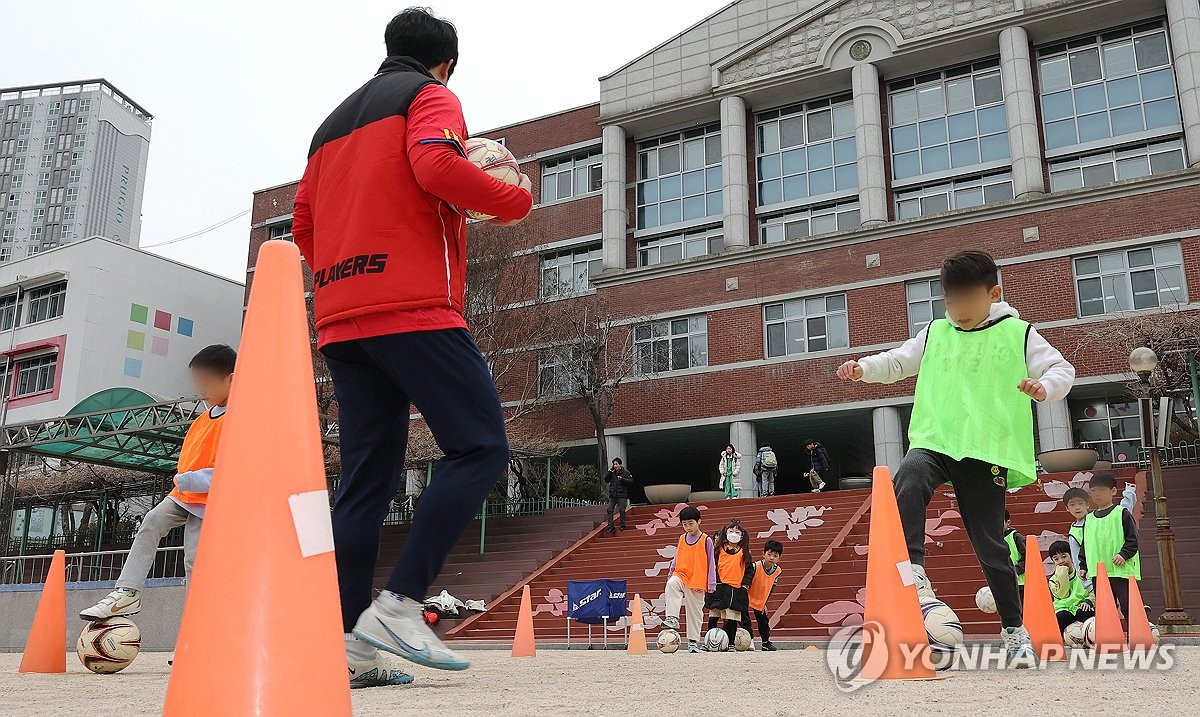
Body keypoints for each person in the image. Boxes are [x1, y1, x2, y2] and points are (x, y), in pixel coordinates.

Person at [292, 7, 534, 682]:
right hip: (414, 306)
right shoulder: (432, 95)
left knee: (364, 484)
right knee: (480, 446)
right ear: (446, 62)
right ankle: (399, 605)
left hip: (341, 317)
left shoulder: (328, 126)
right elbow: (433, 164)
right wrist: (511, 200)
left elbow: (303, 222)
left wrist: (344, 271)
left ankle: (347, 647)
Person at [836, 249, 1075, 668]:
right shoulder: (934, 332)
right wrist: (863, 369)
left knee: (990, 545)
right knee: (908, 474)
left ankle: (1014, 629)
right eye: (951, 302)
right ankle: (915, 570)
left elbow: (1060, 367)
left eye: (967, 300)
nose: (958, 310)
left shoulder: (1018, 332)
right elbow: (897, 361)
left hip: (985, 450)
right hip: (936, 439)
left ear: (993, 293)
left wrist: (1045, 387)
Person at [79, 346, 236, 621]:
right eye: (198, 382)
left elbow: (235, 466)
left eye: (208, 381)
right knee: (151, 522)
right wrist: (187, 481)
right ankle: (127, 592)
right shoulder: (201, 420)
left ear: (231, 379)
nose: (202, 388)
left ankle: (196, 634)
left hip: (214, 500)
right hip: (185, 494)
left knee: (194, 562)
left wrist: (195, 479)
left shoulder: (242, 417)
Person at [1079, 473, 1141, 624]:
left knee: (1128, 606)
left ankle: (1136, 636)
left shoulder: (1121, 513)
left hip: (1120, 570)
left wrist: (1123, 554)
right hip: (1098, 572)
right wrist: (1083, 565)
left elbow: (1133, 539)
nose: (1096, 494)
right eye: (1093, 491)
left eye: (1101, 490)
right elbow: (1085, 544)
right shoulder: (1089, 518)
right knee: (1105, 608)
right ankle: (1111, 639)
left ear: (1113, 491)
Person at [661, 506, 716, 654]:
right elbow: (677, 557)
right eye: (684, 524)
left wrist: (711, 583)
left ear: (699, 521)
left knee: (695, 612)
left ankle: (693, 642)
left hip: (697, 579)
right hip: (682, 574)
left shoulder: (706, 540)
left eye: (691, 523)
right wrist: (671, 572)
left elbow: (711, 562)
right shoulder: (681, 538)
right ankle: (672, 617)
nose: (688, 527)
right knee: (672, 583)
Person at [1062, 483, 1136, 590]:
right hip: (1097, 577)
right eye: (1072, 505)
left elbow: (1122, 512)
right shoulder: (1074, 533)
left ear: (1088, 504)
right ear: (1067, 508)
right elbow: (1078, 560)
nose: (1077, 508)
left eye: (1080, 503)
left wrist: (1129, 493)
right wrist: (1089, 586)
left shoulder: (1099, 518)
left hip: (1117, 569)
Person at [705, 519, 753, 650]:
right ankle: (708, 642)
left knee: (732, 617)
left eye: (737, 532)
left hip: (736, 589)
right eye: (731, 531)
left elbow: (749, 570)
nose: (734, 533)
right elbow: (711, 566)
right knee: (714, 615)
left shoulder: (745, 552)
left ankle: (730, 643)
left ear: (742, 535)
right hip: (719, 586)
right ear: (725, 533)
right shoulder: (718, 550)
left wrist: (745, 584)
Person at [743, 540, 783, 651]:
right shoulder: (755, 566)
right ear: (763, 554)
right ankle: (749, 640)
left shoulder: (777, 571)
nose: (771, 557)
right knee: (745, 619)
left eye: (775, 556)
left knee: (763, 621)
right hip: (747, 596)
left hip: (760, 599)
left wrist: (764, 602)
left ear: (779, 558)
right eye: (769, 554)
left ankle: (765, 642)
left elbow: (771, 589)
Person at [1048, 540, 1094, 635]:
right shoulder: (1052, 580)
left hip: (1081, 606)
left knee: (1085, 612)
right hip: (1064, 610)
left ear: (1071, 556)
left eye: (1064, 556)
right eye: (1056, 559)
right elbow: (1063, 594)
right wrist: (1062, 574)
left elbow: (1093, 591)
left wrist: (1088, 601)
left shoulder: (1082, 573)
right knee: (1062, 616)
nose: (1061, 561)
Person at [603, 458, 633, 535]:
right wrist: (609, 472)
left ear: (620, 464)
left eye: (616, 464)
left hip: (622, 495)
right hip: (613, 495)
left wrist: (622, 479)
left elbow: (630, 481)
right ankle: (611, 527)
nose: (615, 465)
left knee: (622, 510)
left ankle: (623, 525)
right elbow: (606, 480)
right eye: (614, 464)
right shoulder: (612, 473)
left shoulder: (626, 472)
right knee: (609, 509)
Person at [1003, 509, 1026, 587]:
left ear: (1008, 523)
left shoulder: (1016, 537)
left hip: (1020, 584)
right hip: (1004, 584)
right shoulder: (993, 540)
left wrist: (1016, 571)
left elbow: (1028, 558)